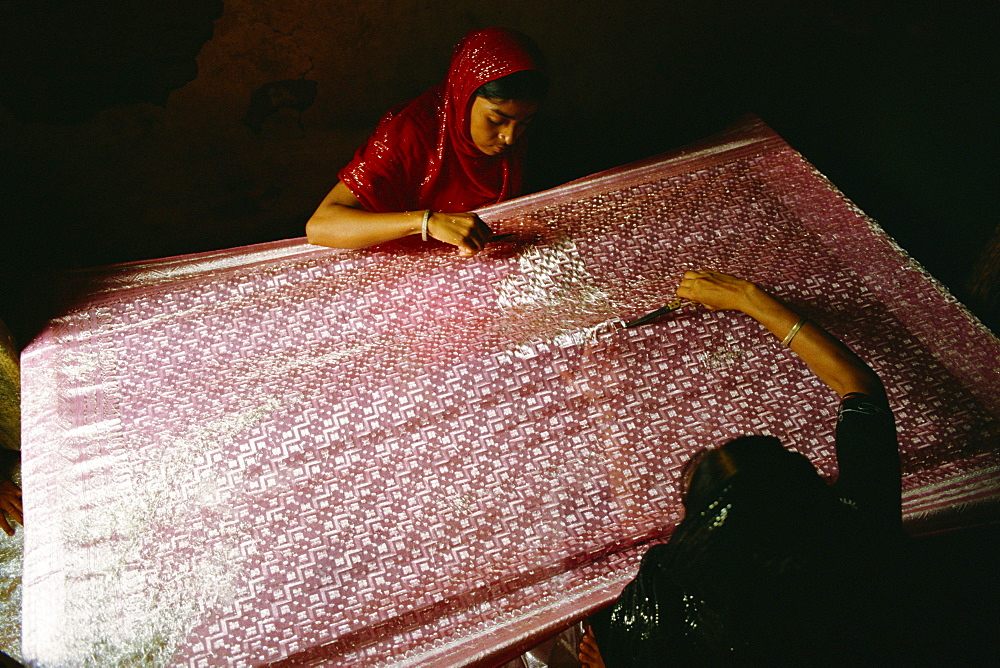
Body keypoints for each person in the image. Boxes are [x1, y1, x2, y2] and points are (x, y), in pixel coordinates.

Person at [579, 270, 906, 667]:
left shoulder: (668, 603)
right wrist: (749, 299)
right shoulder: (859, 529)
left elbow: (614, 641)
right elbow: (861, 387)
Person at [305, 27, 547, 256]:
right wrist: (426, 222)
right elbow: (320, 226)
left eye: (525, 122)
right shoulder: (408, 134)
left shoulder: (507, 135)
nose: (510, 137)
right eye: (496, 120)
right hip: (406, 264)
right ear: (464, 95)